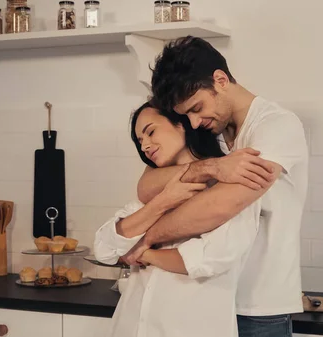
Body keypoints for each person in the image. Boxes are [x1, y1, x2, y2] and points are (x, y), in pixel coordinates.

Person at [122, 36, 309, 337]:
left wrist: (149, 238)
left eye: (197, 108)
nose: (194, 123)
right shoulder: (210, 132)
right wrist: (210, 167)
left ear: (220, 80)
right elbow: (147, 186)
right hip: (201, 302)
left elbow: (221, 205)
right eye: (186, 116)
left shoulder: (276, 126)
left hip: (256, 309)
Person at [94, 102, 276, 337]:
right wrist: (163, 201)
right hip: (132, 327)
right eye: (140, 141)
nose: (146, 145)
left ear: (182, 124)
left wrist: (142, 251)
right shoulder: (153, 191)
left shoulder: (230, 190)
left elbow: (209, 258)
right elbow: (105, 249)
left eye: (150, 132)